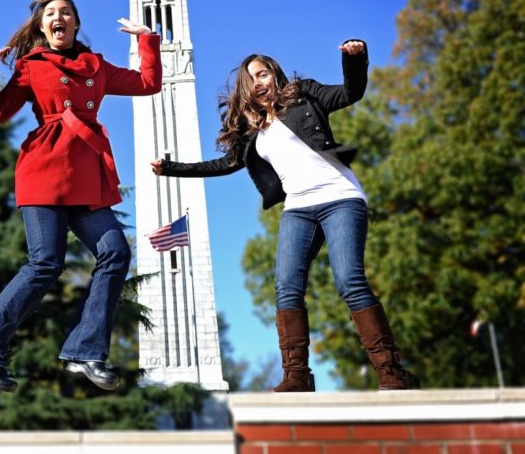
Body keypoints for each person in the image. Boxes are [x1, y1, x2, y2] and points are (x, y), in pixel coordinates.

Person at [151, 40, 417, 391]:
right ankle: (296, 376)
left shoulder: (305, 95)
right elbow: (225, 164)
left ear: (274, 75)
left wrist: (354, 60)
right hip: (298, 209)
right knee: (287, 287)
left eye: (263, 74)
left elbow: (352, 92)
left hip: (340, 197)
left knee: (348, 280)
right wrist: (171, 168)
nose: (259, 82)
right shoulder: (251, 131)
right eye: (251, 80)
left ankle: (390, 371)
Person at [0, 0, 161, 392]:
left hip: (86, 177)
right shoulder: (30, 66)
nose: (59, 17)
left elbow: (147, 83)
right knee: (45, 263)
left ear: (75, 23)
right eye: (50, 13)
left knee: (116, 251)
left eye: (66, 12)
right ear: (41, 27)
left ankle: (86, 351)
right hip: (44, 171)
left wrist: (147, 40)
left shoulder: (96, 66)